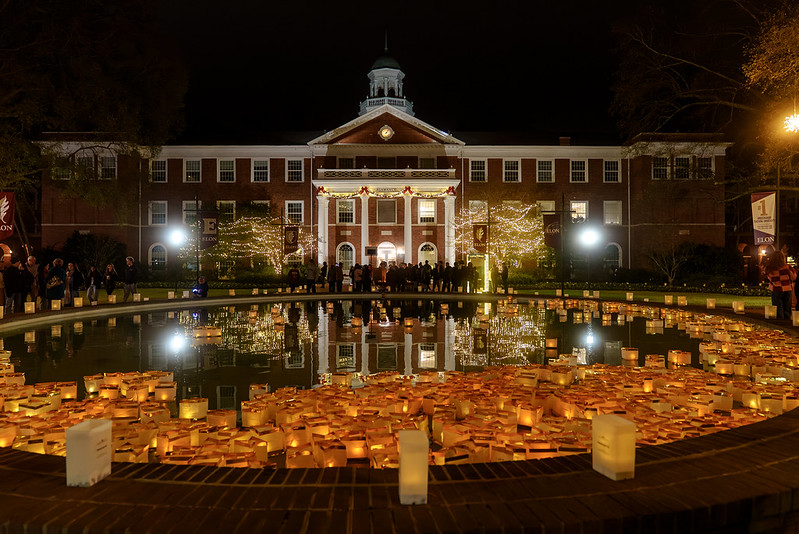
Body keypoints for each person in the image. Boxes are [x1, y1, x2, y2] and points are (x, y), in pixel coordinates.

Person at [763, 251, 795, 320]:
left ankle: (780, 325)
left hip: (776, 290)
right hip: (788, 289)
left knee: (778, 309)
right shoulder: (788, 267)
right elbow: (794, 277)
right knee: (787, 309)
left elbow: (769, 278)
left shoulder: (769, 268)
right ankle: (787, 325)